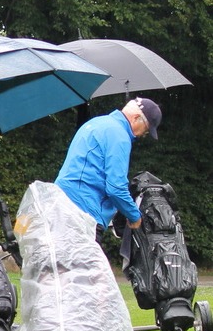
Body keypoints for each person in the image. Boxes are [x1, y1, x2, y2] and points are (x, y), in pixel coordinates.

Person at [55, 96, 162, 234]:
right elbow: (116, 188)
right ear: (136, 118)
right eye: (146, 129)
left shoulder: (97, 122)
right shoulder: (120, 136)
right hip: (83, 215)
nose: (143, 134)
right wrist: (134, 216)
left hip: (60, 203)